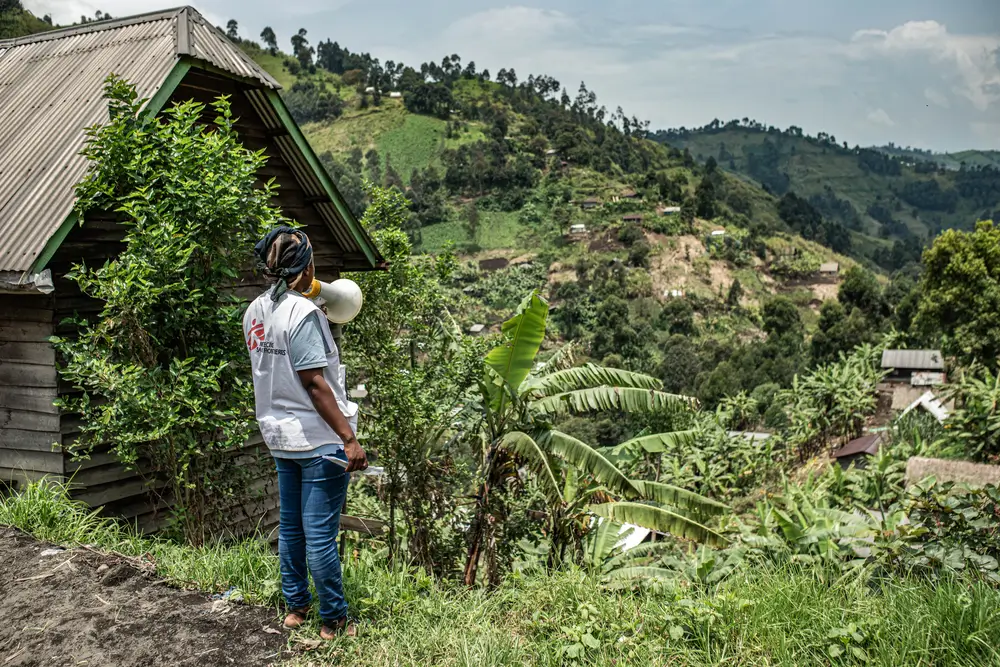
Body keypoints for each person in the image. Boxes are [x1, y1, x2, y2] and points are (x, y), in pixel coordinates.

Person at [243, 226, 367, 639]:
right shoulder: (305, 316)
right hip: (317, 439)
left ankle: (296, 608)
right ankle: (334, 619)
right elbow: (315, 383)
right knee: (320, 535)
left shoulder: (255, 311)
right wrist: (348, 438)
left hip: (280, 437)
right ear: (307, 265)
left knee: (292, 529)